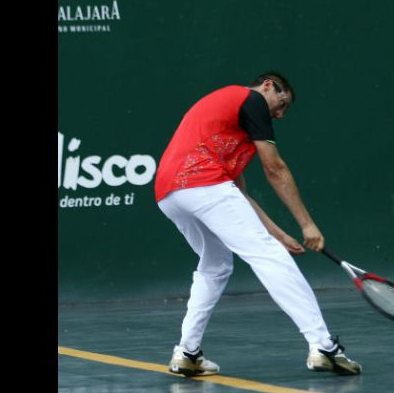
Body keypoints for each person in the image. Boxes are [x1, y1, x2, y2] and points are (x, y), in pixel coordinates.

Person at [154, 72, 361, 376]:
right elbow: (275, 169)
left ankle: (187, 352)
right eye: (281, 102)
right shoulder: (250, 100)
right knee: (271, 259)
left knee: (216, 265)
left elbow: (237, 195)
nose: (279, 113)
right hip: (203, 184)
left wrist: (277, 234)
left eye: (284, 110)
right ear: (267, 85)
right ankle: (323, 345)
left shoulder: (231, 126)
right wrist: (307, 225)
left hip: (170, 194)